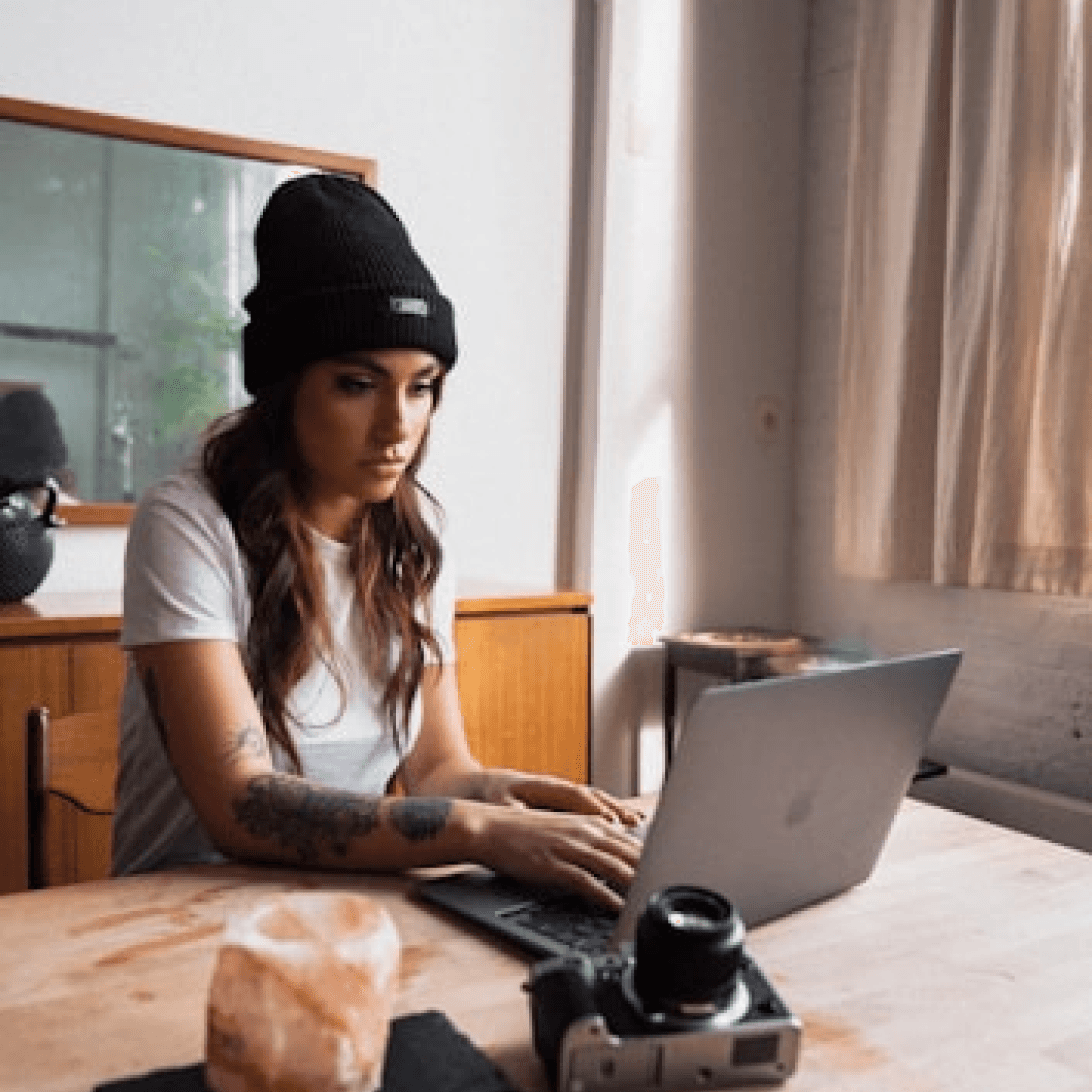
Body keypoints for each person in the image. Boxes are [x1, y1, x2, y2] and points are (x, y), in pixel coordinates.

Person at [111, 173, 643, 909]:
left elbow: (440, 774)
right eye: (358, 384)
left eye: (421, 386)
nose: (399, 425)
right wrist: (478, 831)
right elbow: (242, 802)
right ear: (284, 385)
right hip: (174, 920)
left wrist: (534, 807)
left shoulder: (415, 544)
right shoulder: (186, 524)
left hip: (342, 909)